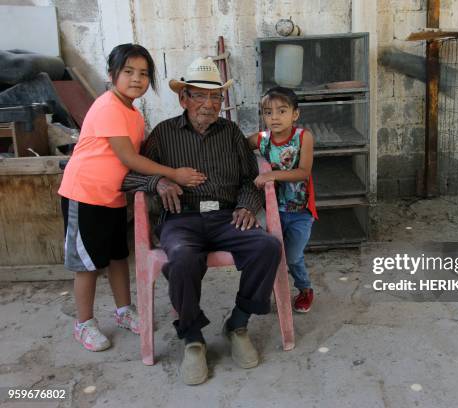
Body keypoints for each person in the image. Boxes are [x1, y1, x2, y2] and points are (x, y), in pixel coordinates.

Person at [122, 57, 281, 385]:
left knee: (267, 246)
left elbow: (251, 178)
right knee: (181, 257)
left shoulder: (231, 132)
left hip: (226, 216)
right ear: (184, 99)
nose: (209, 105)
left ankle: (237, 324)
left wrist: (248, 207)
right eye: (200, 96)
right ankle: (192, 337)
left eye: (215, 98)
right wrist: (159, 182)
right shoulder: (165, 133)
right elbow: (129, 178)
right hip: (181, 220)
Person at [58, 43, 205, 353]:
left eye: (143, 73)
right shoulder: (108, 105)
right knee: (87, 264)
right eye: (128, 72)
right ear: (112, 74)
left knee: (116, 257)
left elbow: (142, 152)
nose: (137, 79)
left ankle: (124, 310)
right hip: (84, 194)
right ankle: (83, 323)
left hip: (112, 196)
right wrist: (173, 174)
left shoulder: (133, 114)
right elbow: (129, 157)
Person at [248, 86, 318, 313]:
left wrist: (271, 174)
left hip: (300, 212)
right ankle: (272, 290)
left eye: (281, 111)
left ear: (295, 114)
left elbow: (303, 172)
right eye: (268, 112)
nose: (274, 117)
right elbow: (237, 144)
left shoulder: (303, 137)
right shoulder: (262, 139)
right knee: (270, 254)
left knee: (293, 256)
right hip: (272, 212)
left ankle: (305, 289)